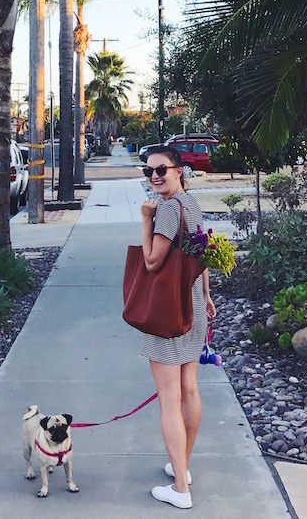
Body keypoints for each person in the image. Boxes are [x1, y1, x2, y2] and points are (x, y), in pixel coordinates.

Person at [139, 145, 216, 510]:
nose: (155, 176)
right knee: (189, 390)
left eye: (161, 170)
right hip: (194, 306)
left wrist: (145, 219)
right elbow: (202, 257)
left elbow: (153, 262)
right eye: (149, 171)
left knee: (170, 398)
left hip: (169, 311)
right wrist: (206, 295)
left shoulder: (168, 209)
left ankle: (181, 492)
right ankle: (181, 469)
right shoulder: (193, 205)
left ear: (178, 170)